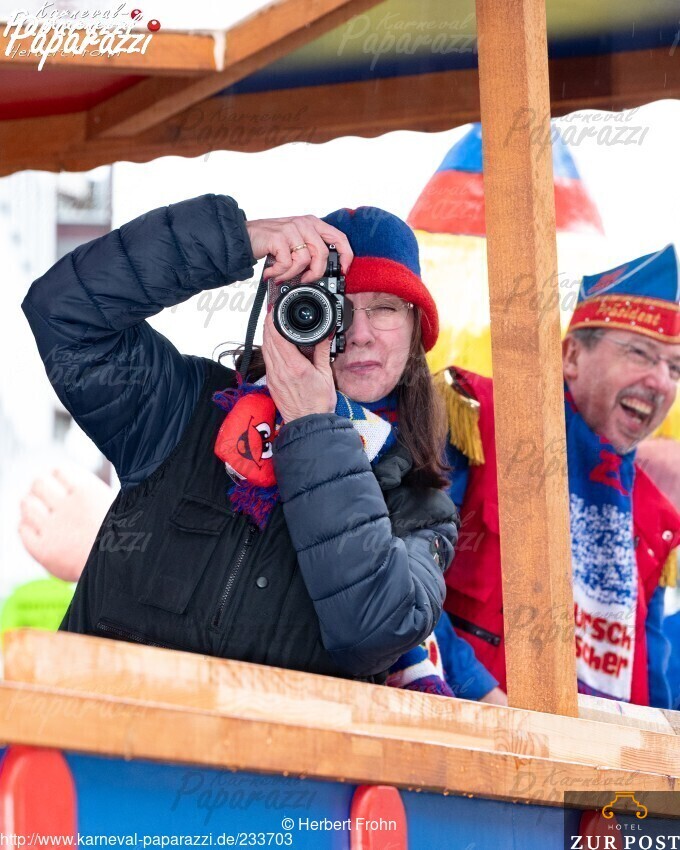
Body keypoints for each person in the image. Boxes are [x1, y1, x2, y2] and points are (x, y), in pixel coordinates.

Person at [21, 195, 459, 684]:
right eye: (336, 305)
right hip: (99, 727)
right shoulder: (187, 407)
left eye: (385, 308)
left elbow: (374, 632)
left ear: (415, 329)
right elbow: (64, 310)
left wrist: (313, 423)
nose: (358, 334)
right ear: (284, 309)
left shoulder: (422, 509)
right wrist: (239, 238)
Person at [439, 245, 680, 707]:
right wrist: (482, 696)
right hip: (452, 731)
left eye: (675, 368)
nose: (661, 382)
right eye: (640, 353)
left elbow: (654, 694)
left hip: (590, 753)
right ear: (571, 355)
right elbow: (400, 587)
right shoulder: (479, 422)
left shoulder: (657, 518)